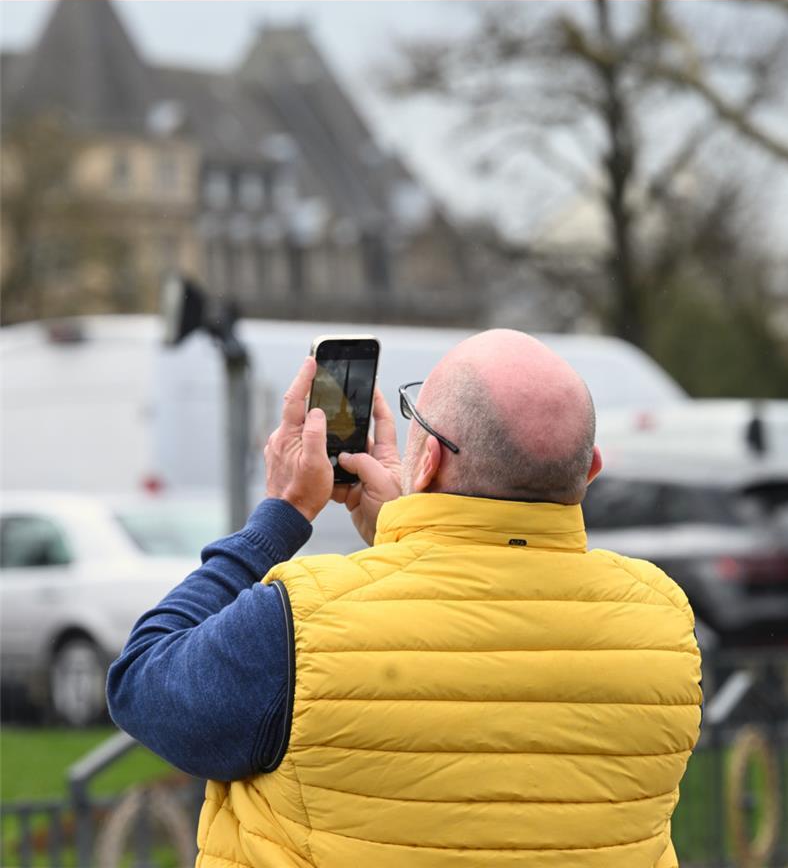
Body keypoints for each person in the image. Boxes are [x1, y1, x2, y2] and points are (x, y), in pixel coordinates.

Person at [107, 329, 702, 868]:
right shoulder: (661, 621)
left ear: (431, 459)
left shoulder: (301, 621)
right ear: (591, 469)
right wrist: (408, 536)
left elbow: (142, 683)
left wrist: (282, 515)